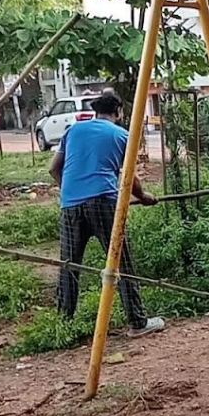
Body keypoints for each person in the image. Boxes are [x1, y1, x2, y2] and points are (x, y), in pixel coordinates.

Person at [49, 92, 165, 337]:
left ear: (94, 111)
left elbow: (54, 169)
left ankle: (62, 325)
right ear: (119, 112)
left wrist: (71, 192)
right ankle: (138, 322)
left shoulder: (73, 131)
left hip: (70, 205)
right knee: (121, 262)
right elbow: (128, 175)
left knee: (68, 264)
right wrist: (143, 197)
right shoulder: (123, 135)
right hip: (103, 202)